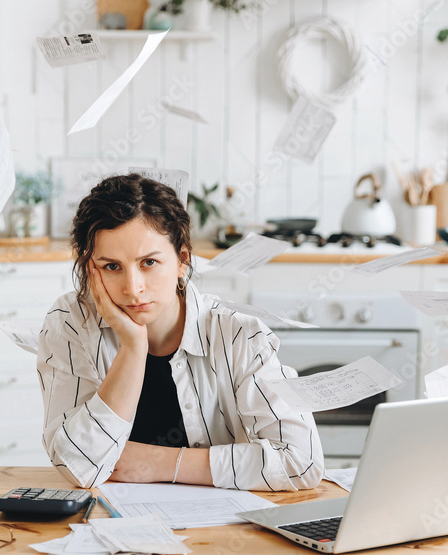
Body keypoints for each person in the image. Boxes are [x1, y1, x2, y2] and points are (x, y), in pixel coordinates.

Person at [37, 174, 323, 491]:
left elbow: (301, 461)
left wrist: (159, 463)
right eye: (111, 266)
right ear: (90, 268)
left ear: (182, 261)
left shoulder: (239, 334)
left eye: (149, 262)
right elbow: (78, 467)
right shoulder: (70, 322)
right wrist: (132, 347)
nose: (133, 289)